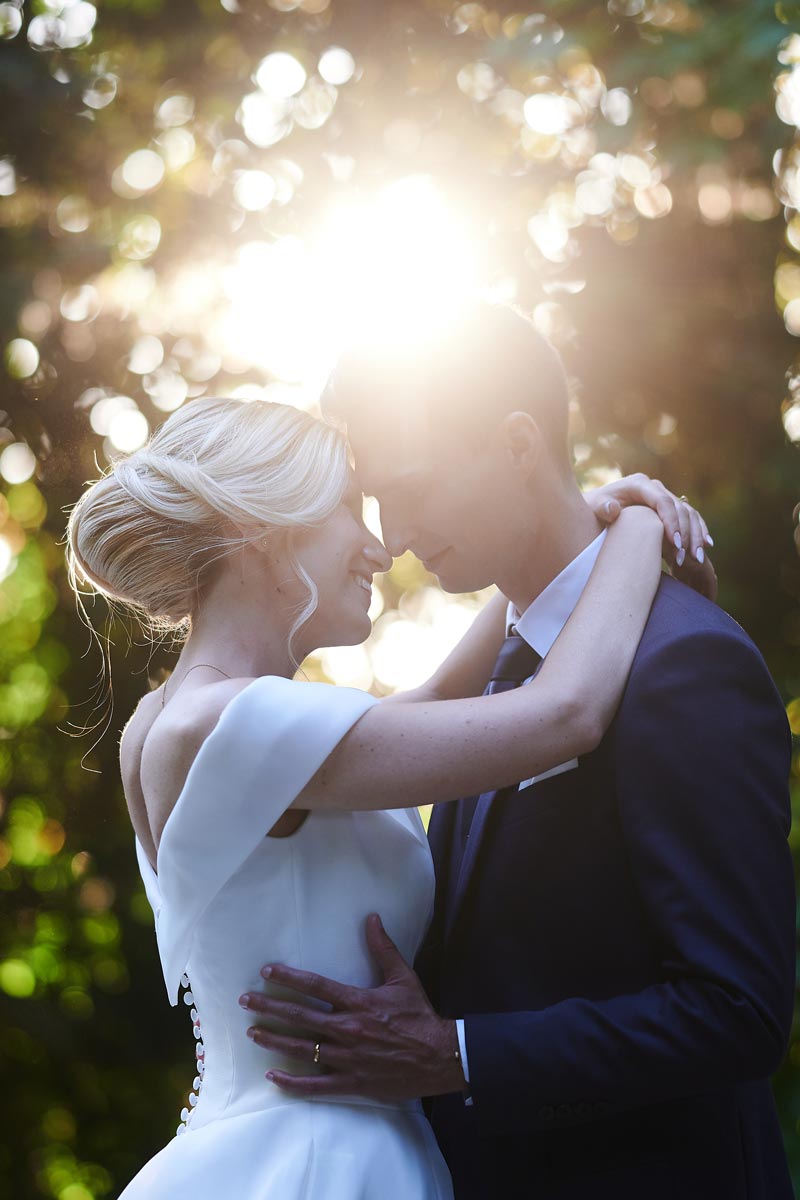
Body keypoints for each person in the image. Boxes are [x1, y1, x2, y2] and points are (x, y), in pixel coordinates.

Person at [66, 394, 695, 1200]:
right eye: (346, 510)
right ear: (260, 531)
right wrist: (641, 526)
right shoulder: (233, 722)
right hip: (321, 1163)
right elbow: (565, 714)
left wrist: (573, 524)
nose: (378, 546)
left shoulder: (166, 720)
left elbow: (434, 697)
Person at [240, 305, 796, 1200]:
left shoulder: (685, 661)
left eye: (410, 486)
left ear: (516, 444)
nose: (394, 532)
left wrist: (456, 1054)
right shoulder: (494, 674)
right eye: (375, 498)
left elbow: (738, 1011)